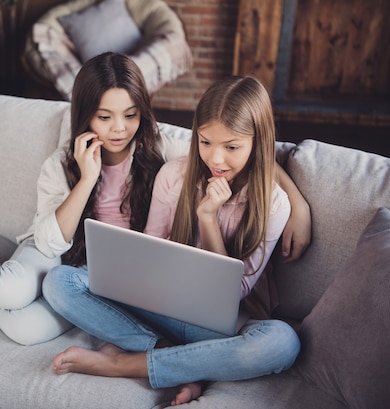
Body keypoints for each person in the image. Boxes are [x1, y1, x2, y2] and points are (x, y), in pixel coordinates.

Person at [0, 53, 310, 347]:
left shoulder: (155, 159)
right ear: (86, 115)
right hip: (54, 252)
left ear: (142, 113)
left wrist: (296, 199)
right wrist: (87, 178)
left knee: (27, 330)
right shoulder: (64, 164)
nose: (118, 129)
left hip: (96, 274)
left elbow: (241, 148)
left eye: (129, 115)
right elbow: (51, 242)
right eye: (104, 117)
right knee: (15, 287)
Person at [42, 75, 302, 406]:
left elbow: (233, 292)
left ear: (258, 143)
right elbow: (151, 253)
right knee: (58, 282)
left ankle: (128, 363)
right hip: (159, 308)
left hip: (218, 328)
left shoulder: (274, 203)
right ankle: (174, 358)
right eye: (206, 142)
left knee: (283, 342)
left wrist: (207, 218)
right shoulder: (174, 176)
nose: (216, 160)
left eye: (232, 147)